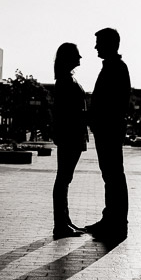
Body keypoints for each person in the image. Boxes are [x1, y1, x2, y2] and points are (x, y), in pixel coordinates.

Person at [84, 27, 131, 242]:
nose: (95, 47)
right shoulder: (112, 67)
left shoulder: (117, 68)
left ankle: (116, 222)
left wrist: (95, 117)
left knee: (113, 176)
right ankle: (110, 219)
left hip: (109, 131)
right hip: (107, 130)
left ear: (110, 44)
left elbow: (115, 103)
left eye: (99, 42)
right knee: (110, 176)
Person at [51, 42, 89, 239]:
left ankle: (64, 221)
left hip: (72, 135)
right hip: (70, 135)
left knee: (65, 179)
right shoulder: (65, 81)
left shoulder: (67, 79)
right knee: (63, 179)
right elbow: (66, 112)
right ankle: (60, 224)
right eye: (77, 55)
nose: (81, 58)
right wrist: (86, 115)